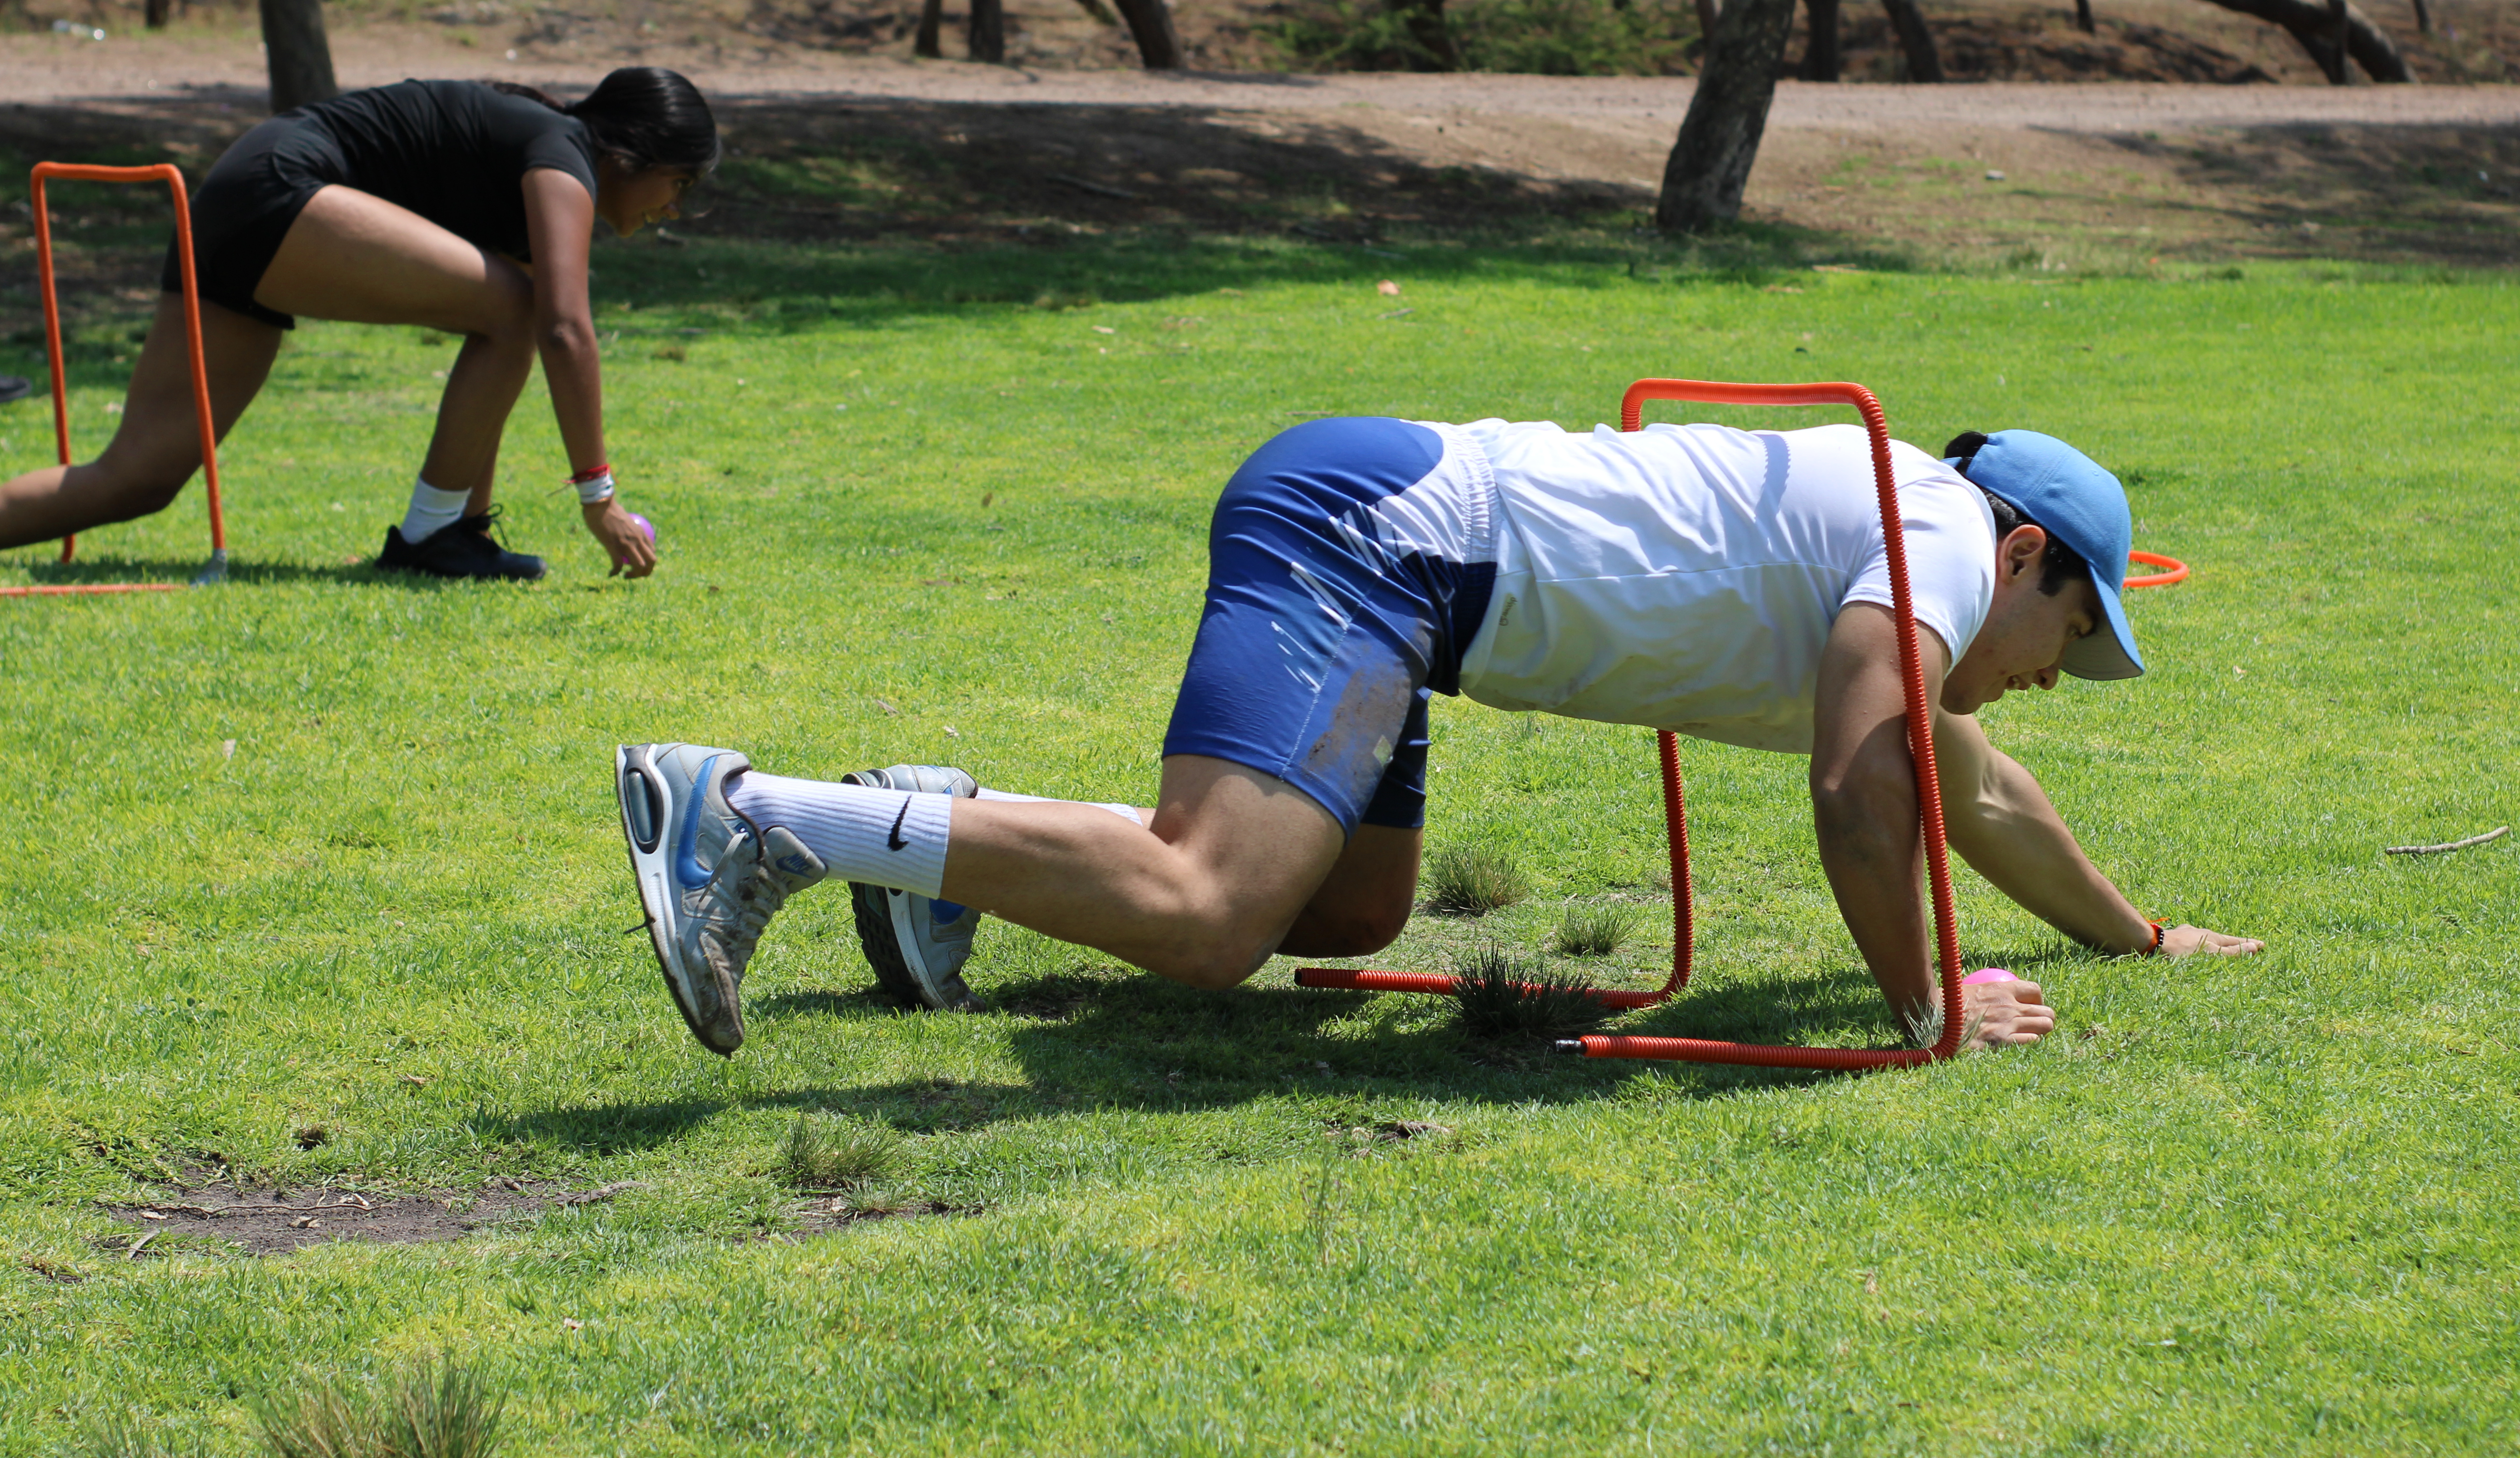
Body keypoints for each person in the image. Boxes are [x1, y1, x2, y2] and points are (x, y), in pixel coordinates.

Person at [614, 415, 2263, 1057]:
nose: (2057, 668)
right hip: (1377, 540)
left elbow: (1979, 796)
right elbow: (1861, 784)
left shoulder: (1921, 557)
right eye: (2077, 632)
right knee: (1210, 918)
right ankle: (756, 814)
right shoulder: (1943, 545)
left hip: (1415, 587)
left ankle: (937, 848)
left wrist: (2146, 936)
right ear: (2028, 557)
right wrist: (1924, 1008)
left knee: (1343, 919)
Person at [0, 69, 716, 580]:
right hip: (277, 188)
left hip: (236, 198)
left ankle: (449, 533)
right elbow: (563, 328)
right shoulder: (563, 154)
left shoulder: (540, 153)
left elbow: (512, 338)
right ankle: (437, 536)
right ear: (631, 155)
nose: (674, 209)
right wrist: (600, 498)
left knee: (137, 480)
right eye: (679, 184)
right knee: (521, 304)